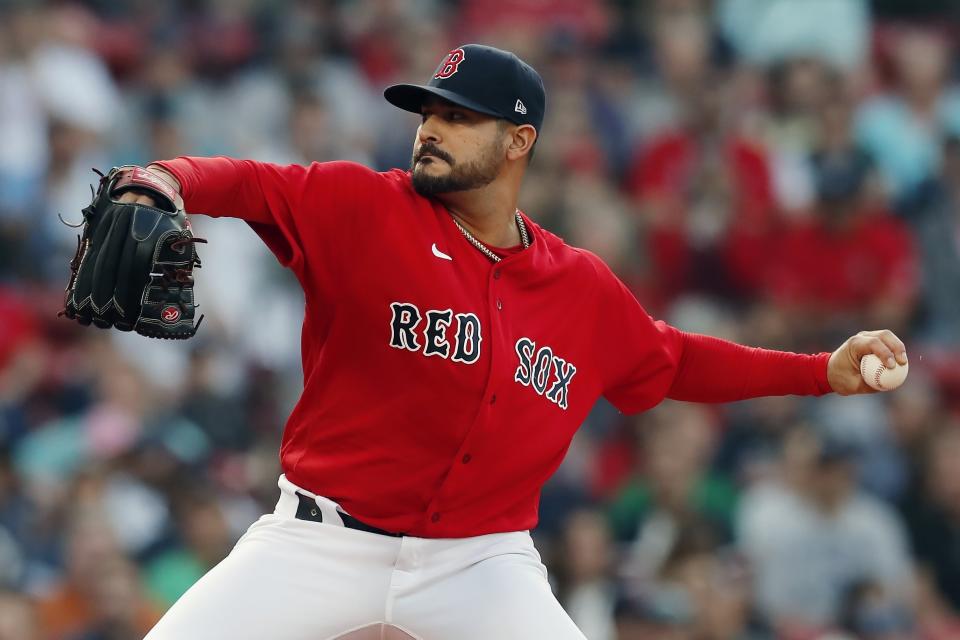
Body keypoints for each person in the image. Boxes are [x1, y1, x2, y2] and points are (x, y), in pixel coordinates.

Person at [112, 44, 908, 640]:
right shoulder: (363, 206)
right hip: (319, 539)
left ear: (518, 141)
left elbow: (676, 361)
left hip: (480, 561)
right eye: (427, 112)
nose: (429, 129)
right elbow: (250, 182)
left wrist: (818, 372)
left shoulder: (580, 285)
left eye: (457, 117)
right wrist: (165, 179)